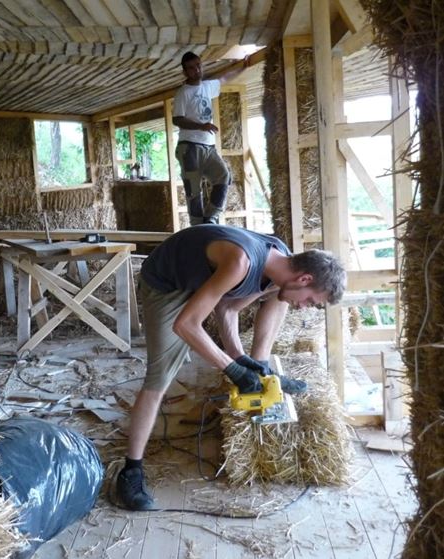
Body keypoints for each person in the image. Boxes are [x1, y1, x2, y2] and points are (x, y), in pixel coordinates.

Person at [116, 224, 346, 511]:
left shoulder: (281, 265)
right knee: (159, 378)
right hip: (168, 283)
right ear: (304, 277)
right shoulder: (242, 263)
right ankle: (131, 470)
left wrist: (244, 359)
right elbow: (186, 324)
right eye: (311, 300)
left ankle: (265, 369)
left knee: (279, 295)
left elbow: (227, 308)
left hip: (203, 279)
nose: (305, 307)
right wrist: (233, 370)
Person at [173, 51, 238, 225]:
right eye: (192, 68)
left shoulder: (207, 86)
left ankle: (210, 218)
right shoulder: (183, 93)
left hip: (209, 147)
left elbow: (224, 79)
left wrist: (243, 65)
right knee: (194, 191)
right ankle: (197, 226)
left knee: (224, 176)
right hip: (190, 148)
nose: (197, 70)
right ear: (185, 72)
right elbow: (176, 119)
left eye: (198, 65)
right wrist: (201, 126)